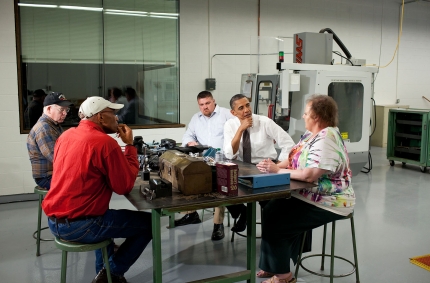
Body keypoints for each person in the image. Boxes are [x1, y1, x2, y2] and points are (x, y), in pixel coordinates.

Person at [42, 96, 152, 283]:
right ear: (100, 117)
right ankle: (111, 273)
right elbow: (123, 186)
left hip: (55, 222)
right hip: (82, 225)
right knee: (149, 224)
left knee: (106, 214)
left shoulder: (66, 135)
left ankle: (106, 272)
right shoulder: (105, 143)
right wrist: (130, 146)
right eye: (113, 114)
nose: (117, 118)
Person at [254, 94, 354, 283]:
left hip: (331, 200)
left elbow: (309, 175)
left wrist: (277, 171)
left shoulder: (327, 139)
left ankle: (284, 277)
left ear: (316, 117)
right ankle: (274, 265)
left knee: (278, 221)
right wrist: (275, 165)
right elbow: (293, 158)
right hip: (309, 194)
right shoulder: (311, 135)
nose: (303, 116)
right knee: (270, 208)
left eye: (306, 113)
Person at [223, 94, 295, 233]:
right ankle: (243, 211)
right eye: (241, 108)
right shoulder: (230, 125)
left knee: (269, 204)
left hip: (265, 166)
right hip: (243, 166)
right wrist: (240, 129)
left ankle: (272, 235)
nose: (246, 110)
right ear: (233, 112)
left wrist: (279, 165)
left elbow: (289, 144)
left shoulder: (264, 122)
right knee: (222, 187)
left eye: (248, 105)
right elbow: (229, 154)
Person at [177, 91, 234, 241]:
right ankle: (191, 214)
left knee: (219, 186)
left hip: (223, 161)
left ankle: (218, 225)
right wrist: (190, 142)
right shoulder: (196, 118)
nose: (205, 107)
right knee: (187, 178)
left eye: (207, 103)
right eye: (201, 105)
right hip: (203, 161)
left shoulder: (226, 114)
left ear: (214, 101)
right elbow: (187, 135)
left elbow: (240, 131)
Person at [26, 92, 72, 190]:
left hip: (55, 173)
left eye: (66, 109)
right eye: (61, 110)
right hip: (47, 177)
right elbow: (56, 157)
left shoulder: (54, 125)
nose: (65, 113)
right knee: (84, 185)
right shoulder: (44, 128)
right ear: (49, 109)